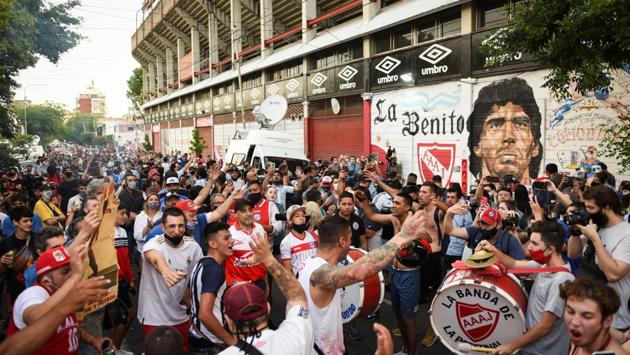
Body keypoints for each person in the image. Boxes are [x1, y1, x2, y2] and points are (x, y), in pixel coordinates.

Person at [297, 211, 427, 355]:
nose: (351, 244)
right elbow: (358, 271)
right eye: (350, 239)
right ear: (342, 241)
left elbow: (375, 264)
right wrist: (403, 235)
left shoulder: (306, 263)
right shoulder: (321, 274)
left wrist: (403, 240)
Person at [477, 221, 574, 355]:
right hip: (530, 347)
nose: (529, 248)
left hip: (543, 352)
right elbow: (514, 264)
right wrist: (492, 249)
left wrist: (511, 346)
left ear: (550, 250)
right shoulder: (544, 265)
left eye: (534, 244)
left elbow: (545, 326)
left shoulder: (561, 280)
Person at [220, 232, 313, 355]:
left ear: (229, 322)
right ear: (268, 308)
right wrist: (268, 259)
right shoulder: (296, 335)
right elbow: (296, 296)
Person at [8, 246, 113, 354]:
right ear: (46, 282)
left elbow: (69, 327)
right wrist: (75, 279)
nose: (71, 275)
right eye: (65, 272)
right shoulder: (34, 293)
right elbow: (36, 320)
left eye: (72, 270)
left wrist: (93, 340)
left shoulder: (62, 295)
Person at [138, 207, 204, 353]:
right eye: (171, 226)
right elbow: (154, 257)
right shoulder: (154, 243)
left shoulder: (193, 247)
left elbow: (190, 283)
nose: (177, 230)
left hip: (181, 316)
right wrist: (166, 272)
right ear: (163, 227)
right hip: (154, 316)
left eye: (181, 226)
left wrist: (194, 311)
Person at [567, 185, 630, 333]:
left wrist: (595, 240)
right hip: (585, 314)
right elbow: (573, 254)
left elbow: (614, 274)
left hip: (613, 323)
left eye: (590, 208)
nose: (586, 212)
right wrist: (575, 232)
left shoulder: (626, 234)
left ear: (606, 207)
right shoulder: (596, 225)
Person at [467, 77, 543, 183]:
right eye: (495, 125)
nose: (508, 136)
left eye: (520, 124)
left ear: (535, 145)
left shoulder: (540, 196)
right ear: (477, 146)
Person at [189, 222, 237, 354]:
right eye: (226, 238)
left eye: (231, 237)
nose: (232, 241)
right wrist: (231, 341)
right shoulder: (215, 270)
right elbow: (204, 314)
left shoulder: (201, 263)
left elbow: (186, 294)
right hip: (211, 343)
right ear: (213, 244)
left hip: (197, 338)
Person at [560, 278, 629, 355]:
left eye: (586, 316)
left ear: (607, 321)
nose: (575, 322)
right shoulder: (579, 340)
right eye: (570, 312)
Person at [445, 206, 525, 260]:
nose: (484, 227)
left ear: (499, 224)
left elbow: (521, 266)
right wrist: (448, 213)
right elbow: (450, 230)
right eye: (482, 223)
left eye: (488, 224)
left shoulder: (508, 240)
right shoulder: (475, 232)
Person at [105, 205, 135, 351]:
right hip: (113, 281)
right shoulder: (105, 233)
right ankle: (114, 348)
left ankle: (115, 343)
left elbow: (125, 258)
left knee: (121, 317)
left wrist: (130, 277)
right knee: (128, 315)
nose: (125, 216)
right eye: (122, 213)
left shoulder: (122, 231)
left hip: (123, 280)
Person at [225, 199, 269, 290]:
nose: (249, 214)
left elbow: (265, 257)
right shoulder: (230, 232)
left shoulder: (260, 228)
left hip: (259, 282)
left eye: (250, 210)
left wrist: (266, 281)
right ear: (236, 214)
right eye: (244, 211)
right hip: (238, 284)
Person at [0, 206, 35, 303]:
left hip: (34, 288)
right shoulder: (6, 243)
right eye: (25, 221)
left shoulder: (38, 239)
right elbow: (2, 272)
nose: (29, 223)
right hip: (14, 289)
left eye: (31, 220)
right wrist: (2, 262)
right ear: (15, 222)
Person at [280, 205, 318, 275]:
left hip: (317, 280)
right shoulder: (286, 242)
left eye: (303, 216)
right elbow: (287, 272)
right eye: (297, 216)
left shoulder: (314, 236)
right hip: (300, 283)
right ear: (290, 221)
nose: (302, 218)